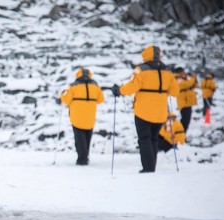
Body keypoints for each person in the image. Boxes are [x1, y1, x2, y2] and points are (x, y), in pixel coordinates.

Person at [111, 45, 179, 173]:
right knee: (154, 138)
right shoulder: (168, 71)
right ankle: (151, 165)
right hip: (160, 111)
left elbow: (131, 87)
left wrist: (119, 90)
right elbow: (175, 91)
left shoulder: (141, 70)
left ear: (146, 55)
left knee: (144, 138)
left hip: (143, 111)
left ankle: (148, 167)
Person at [60, 68, 105, 165]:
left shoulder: (73, 85)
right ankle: (85, 157)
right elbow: (101, 99)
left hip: (77, 116)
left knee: (79, 138)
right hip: (90, 115)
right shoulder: (95, 85)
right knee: (87, 136)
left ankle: (82, 159)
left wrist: (62, 94)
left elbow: (66, 99)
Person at [175, 68, 197, 132]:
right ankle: (180, 133)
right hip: (183, 102)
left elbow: (193, 85)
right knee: (185, 119)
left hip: (188, 102)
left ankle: (183, 133)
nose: (184, 73)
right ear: (179, 73)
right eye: (182, 72)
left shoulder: (185, 79)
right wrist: (193, 78)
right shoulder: (178, 80)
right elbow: (188, 84)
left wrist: (194, 79)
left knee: (187, 119)